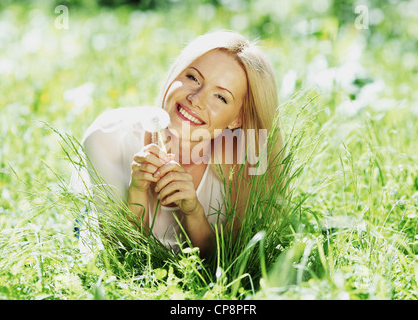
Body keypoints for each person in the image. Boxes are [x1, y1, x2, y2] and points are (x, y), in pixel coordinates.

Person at [70, 30, 283, 258]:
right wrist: (137, 192)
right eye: (193, 78)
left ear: (237, 119)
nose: (196, 99)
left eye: (220, 97)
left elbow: (231, 264)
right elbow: (122, 258)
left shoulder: (248, 156)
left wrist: (194, 212)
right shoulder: (108, 138)